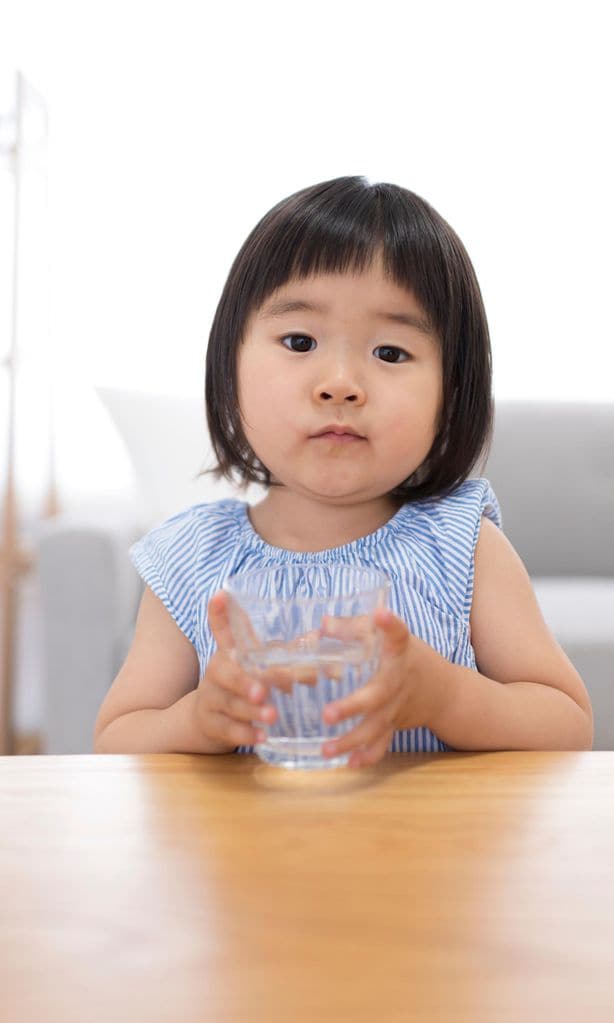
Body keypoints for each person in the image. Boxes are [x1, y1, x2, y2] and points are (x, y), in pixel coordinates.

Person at [93, 176, 593, 763]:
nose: (340, 385)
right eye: (300, 340)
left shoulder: (462, 547)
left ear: (451, 394)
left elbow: (568, 724)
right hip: (248, 853)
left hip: (429, 849)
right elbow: (115, 740)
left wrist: (445, 696)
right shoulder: (192, 558)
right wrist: (198, 721)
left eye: (390, 353)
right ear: (230, 368)